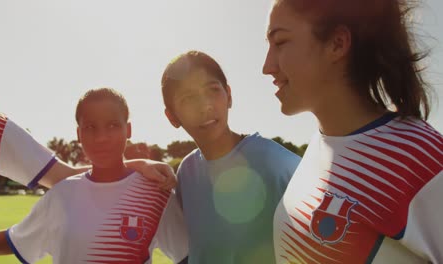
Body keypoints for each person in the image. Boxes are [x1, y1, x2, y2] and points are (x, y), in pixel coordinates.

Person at [262, 0, 443, 263]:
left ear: (337, 43)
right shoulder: (320, 149)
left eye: (280, 42)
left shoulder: (418, 156)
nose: (267, 66)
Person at [0, 88, 188, 263]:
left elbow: (187, 257)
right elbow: (15, 241)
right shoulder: (61, 195)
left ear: (128, 130)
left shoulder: (156, 194)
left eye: (112, 125)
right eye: (91, 127)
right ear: (79, 134)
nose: (101, 137)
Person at [161, 50, 301, 263]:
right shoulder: (187, 171)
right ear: (172, 116)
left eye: (213, 90)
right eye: (188, 98)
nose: (205, 106)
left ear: (229, 95)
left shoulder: (275, 161)